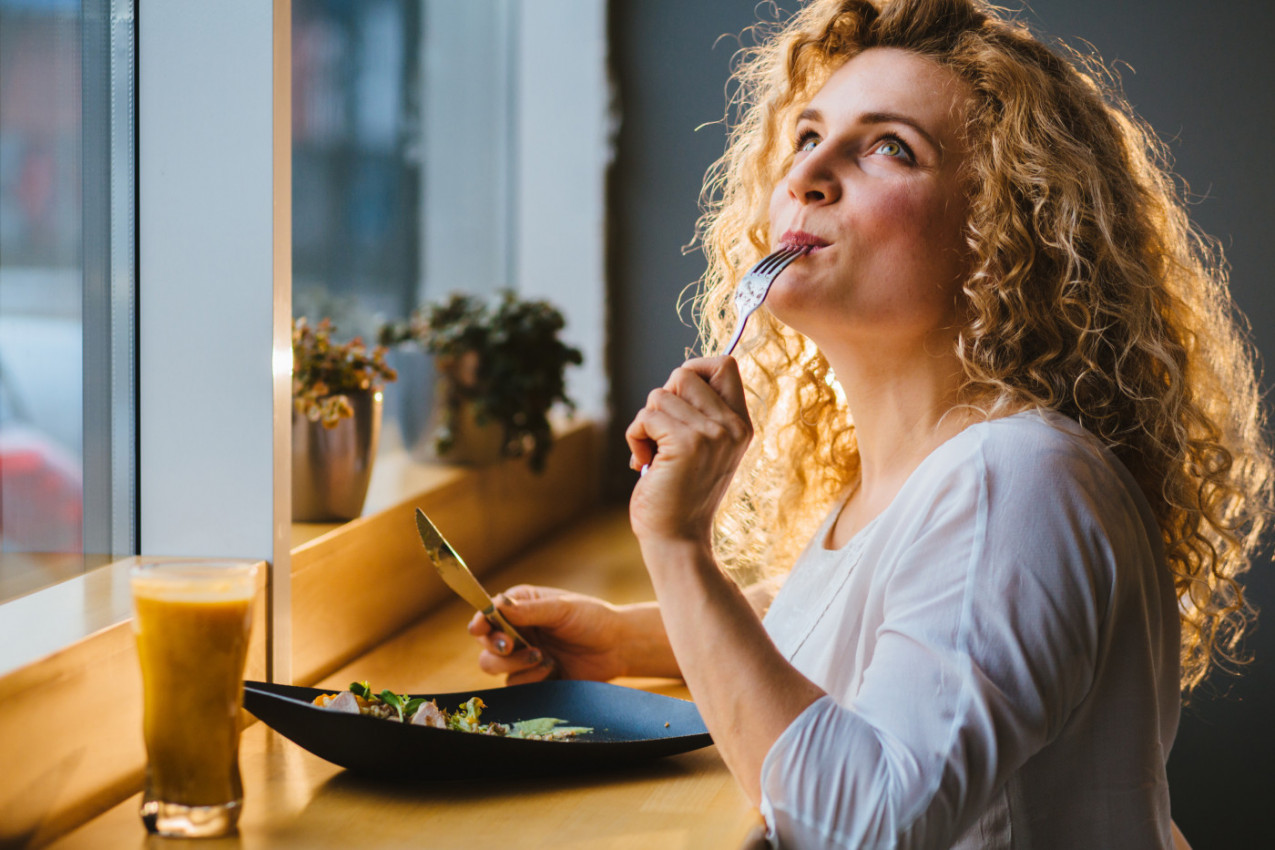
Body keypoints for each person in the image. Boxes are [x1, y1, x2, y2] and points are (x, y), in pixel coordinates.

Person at [469, 1, 1272, 847]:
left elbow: (861, 825)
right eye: (807, 136)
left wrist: (677, 551)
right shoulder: (928, 470)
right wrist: (624, 640)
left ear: (1003, 230)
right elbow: (864, 624)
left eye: (889, 146)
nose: (808, 174)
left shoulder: (1014, 478)